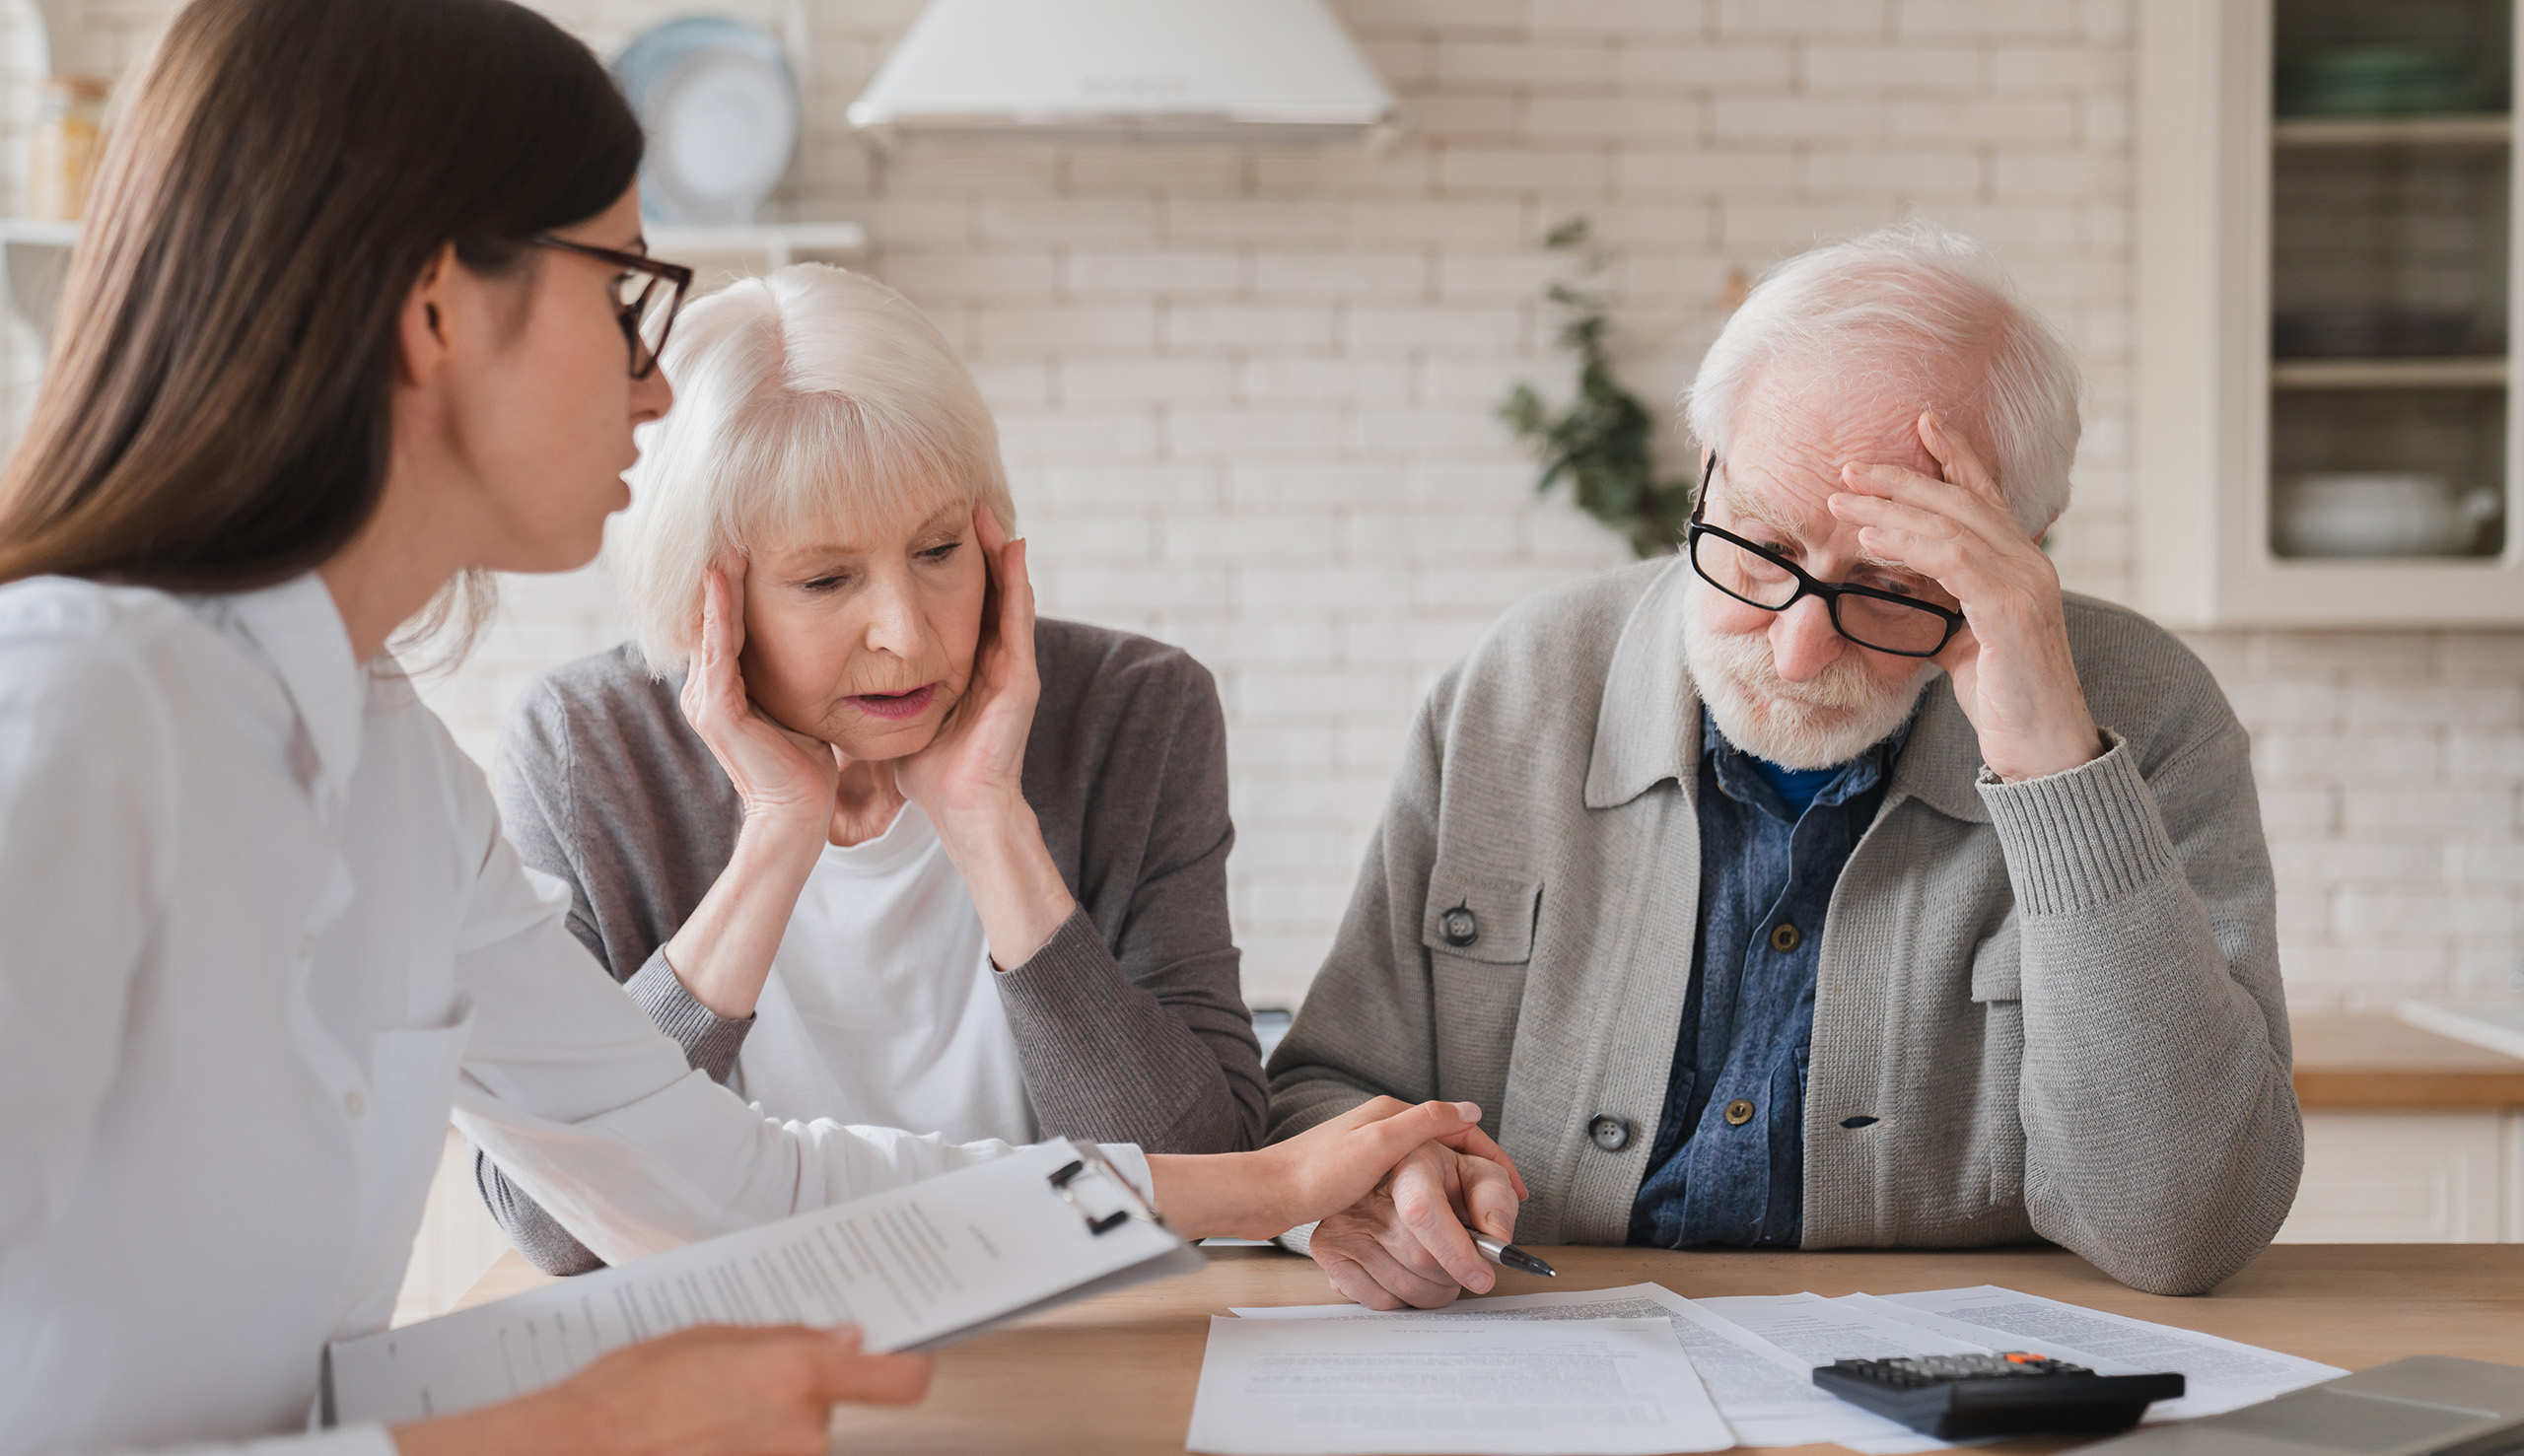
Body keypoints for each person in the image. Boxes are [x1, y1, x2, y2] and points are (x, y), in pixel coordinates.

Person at [0, 1, 1517, 1451]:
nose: (658, 385)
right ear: (436, 308)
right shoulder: (70, 714)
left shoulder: (393, 767)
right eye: (625, 295)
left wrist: (1260, 1178)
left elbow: (729, 1184)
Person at [1268, 221, 2300, 1306]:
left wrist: (2056, 768)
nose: (1800, 651)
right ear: (1705, 471)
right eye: (1758, 548)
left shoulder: (2152, 715)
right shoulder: (1521, 682)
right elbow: (1322, 1091)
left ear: (2019, 553)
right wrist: (1374, 1186)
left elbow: (2187, 1225)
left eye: (1893, 587)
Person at [472, 263, 1265, 1275]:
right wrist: (773, 835)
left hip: (1069, 1323)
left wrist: (989, 824)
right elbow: (550, 1222)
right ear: (701, 598)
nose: (904, 632)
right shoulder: (586, 750)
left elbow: (1213, 1173)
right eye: (827, 577)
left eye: (939, 550)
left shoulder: (1136, 711)